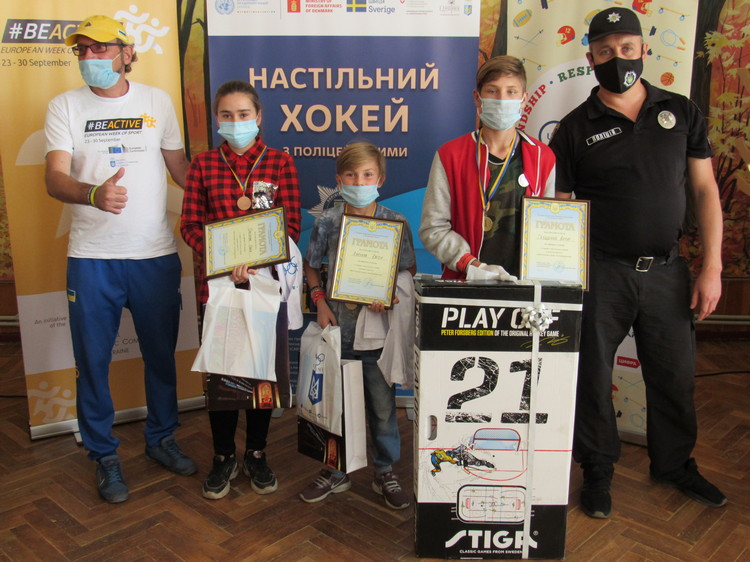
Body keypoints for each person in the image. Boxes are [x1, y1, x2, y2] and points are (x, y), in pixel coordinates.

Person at [549, 7, 726, 519]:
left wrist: (712, 266)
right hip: (600, 272)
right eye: (605, 51)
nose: (618, 58)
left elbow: (705, 190)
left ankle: (673, 464)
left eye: (627, 48)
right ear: (590, 59)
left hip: (669, 271)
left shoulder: (681, 112)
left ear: (644, 49)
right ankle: (597, 470)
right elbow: (559, 208)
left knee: (674, 376)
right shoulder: (574, 128)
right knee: (591, 376)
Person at [44, 15, 195, 503]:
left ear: (126, 52)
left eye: (100, 48)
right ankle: (103, 455)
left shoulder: (157, 101)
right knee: (92, 362)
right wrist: (92, 193)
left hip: (154, 256)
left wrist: (230, 197)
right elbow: (54, 179)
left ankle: (161, 438)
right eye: (82, 50)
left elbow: (180, 168)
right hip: (92, 259)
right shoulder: (64, 106)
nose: (90, 58)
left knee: (161, 357)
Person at [181, 80, 301, 500]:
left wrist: (256, 264)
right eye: (227, 115)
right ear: (217, 119)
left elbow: (290, 226)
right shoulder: (203, 165)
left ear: (259, 117)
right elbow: (190, 226)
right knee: (222, 376)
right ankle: (222, 456)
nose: (235, 122)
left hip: (264, 287)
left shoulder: (280, 163)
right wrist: (222, 262)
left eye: (243, 114)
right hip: (219, 290)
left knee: (260, 374)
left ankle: (256, 452)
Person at [300, 142, 416, 510]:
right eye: (351, 175)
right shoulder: (328, 221)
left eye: (367, 175)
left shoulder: (395, 222)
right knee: (336, 405)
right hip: (337, 329)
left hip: (376, 333)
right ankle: (336, 469)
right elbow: (310, 265)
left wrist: (390, 294)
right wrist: (319, 301)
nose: (359, 182)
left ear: (380, 179)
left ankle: (385, 471)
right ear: (339, 180)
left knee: (382, 408)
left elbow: (407, 270)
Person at [419, 55, 555, 279]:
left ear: (524, 99)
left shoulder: (543, 158)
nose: (502, 99)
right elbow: (433, 228)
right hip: (465, 284)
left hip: (523, 288)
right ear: (477, 98)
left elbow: (549, 230)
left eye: (511, 92)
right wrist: (473, 266)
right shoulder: (451, 155)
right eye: (492, 91)